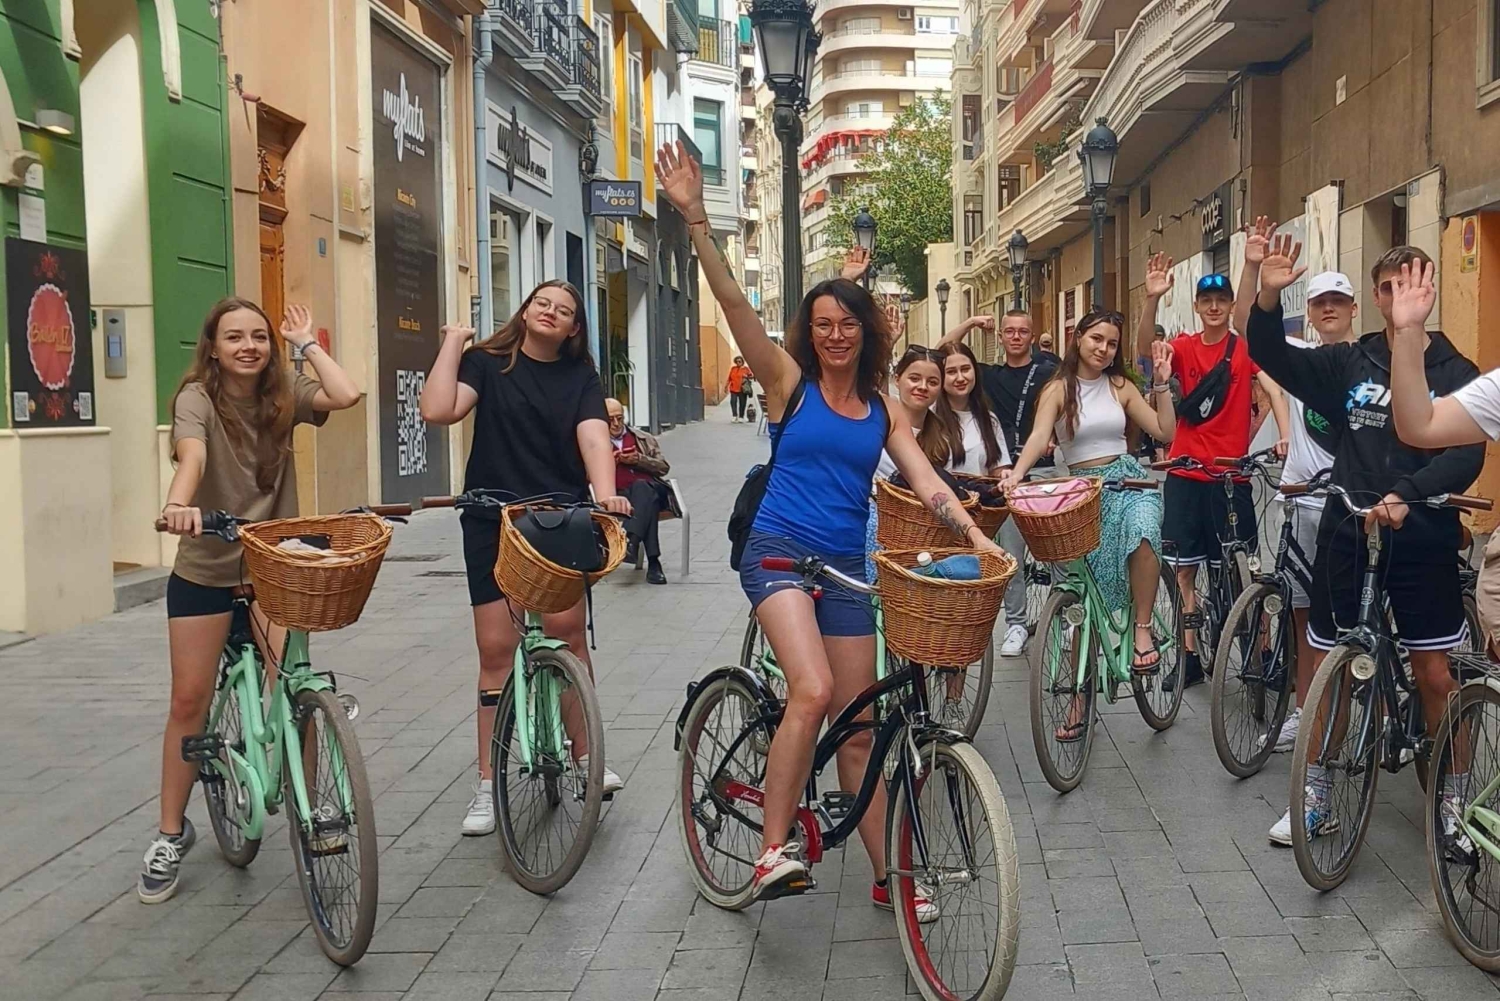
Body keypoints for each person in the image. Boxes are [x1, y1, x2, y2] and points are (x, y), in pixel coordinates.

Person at [656, 140, 1006, 910]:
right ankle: (771, 850)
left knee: (858, 731)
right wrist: (695, 219)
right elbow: (735, 307)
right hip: (779, 552)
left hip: (848, 566)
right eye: (821, 324)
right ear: (809, 332)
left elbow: (925, 481)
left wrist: (977, 538)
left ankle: (890, 879)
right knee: (811, 688)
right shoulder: (788, 385)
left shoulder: (881, 409)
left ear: (864, 329)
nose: (834, 334)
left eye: (845, 323)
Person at [1248, 237, 1482, 846]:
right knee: (1331, 664)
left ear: (1429, 291)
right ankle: (1318, 792)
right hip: (1349, 530)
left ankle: (1453, 803)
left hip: (1423, 535)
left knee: (1433, 672)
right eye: (1389, 285)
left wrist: (1408, 492)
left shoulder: (1456, 372)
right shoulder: (1349, 362)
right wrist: (1269, 294)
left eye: (1414, 282)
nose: (1401, 294)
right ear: (1377, 295)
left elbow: (1467, 452)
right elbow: (1272, 355)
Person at [145, 300, 362, 903]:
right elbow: (194, 456)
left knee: (294, 685)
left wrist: (305, 342)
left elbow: (347, 395)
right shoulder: (196, 399)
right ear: (211, 347)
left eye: (260, 336)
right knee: (188, 700)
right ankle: (168, 833)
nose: (248, 346)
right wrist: (177, 506)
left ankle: (313, 813)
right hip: (207, 567)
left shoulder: (284, 393)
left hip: (275, 565)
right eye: (234, 337)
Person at [419, 280, 632, 838]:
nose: (551, 313)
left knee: (567, 636)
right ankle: (489, 784)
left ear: (573, 329)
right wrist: (454, 342)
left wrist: (605, 492)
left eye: (564, 311)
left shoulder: (580, 378)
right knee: (495, 649)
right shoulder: (486, 363)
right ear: (526, 310)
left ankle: (587, 759)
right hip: (491, 516)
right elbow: (439, 409)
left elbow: (592, 439)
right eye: (543, 303)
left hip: (557, 516)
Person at [1002, 308, 1177, 738]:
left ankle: (1141, 629)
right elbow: (1042, 435)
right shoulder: (1059, 388)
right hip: (1082, 488)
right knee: (1082, 594)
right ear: (1078, 338)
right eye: (1096, 338)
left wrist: (1161, 383)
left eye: (1111, 343)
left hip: (1127, 479)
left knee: (1144, 533)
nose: (1103, 348)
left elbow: (1163, 430)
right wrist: (1018, 472)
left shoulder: (1120, 386)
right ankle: (1079, 702)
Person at [1231, 217, 1357, 770]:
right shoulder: (1299, 356)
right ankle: (1306, 711)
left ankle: (1348, 718)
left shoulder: (1372, 361)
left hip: (1355, 511)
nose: (1328, 309)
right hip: (1302, 506)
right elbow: (1244, 326)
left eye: (1338, 301)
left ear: (1353, 310)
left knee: (1350, 628)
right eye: (1320, 302)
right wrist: (1257, 271)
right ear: (1310, 311)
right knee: (1305, 621)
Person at [1137, 253, 1291, 690]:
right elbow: (1145, 349)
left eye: (1221, 300)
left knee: (1241, 571)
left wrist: (1285, 435)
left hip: (1231, 476)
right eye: (1207, 300)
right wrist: (1151, 300)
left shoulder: (1244, 349)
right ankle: (1189, 657)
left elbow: (1275, 391)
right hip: (1186, 475)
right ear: (1197, 306)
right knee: (1185, 571)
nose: (1215, 307)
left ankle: (1259, 654)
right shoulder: (1184, 346)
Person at [937, 309, 1060, 655]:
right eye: (1010, 331)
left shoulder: (1048, 371)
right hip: (974, 491)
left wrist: (1057, 436)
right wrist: (972, 323)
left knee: (1058, 549)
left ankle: (1066, 617)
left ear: (1033, 336)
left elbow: (1067, 405)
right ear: (1001, 337)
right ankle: (1016, 623)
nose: (1016, 337)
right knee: (1010, 555)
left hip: (1031, 471)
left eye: (1023, 331)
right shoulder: (987, 377)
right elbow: (943, 354)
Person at [606, 397, 673, 585]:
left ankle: (630, 540)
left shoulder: (642, 438)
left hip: (652, 488)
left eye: (620, 418)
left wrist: (639, 460)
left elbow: (663, 468)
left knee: (643, 488)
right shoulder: (596, 444)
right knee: (646, 504)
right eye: (611, 419)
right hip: (619, 495)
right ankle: (653, 563)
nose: (616, 423)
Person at [727, 356, 754, 423]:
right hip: (733, 388)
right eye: (737, 361)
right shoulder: (733, 368)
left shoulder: (746, 369)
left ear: (742, 362)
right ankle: (734, 415)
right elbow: (729, 378)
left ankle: (741, 417)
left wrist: (746, 376)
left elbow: (752, 376)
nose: (738, 363)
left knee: (742, 403)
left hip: (742, 389)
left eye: (740, 361)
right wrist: (726, 386)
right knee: (733, 402)